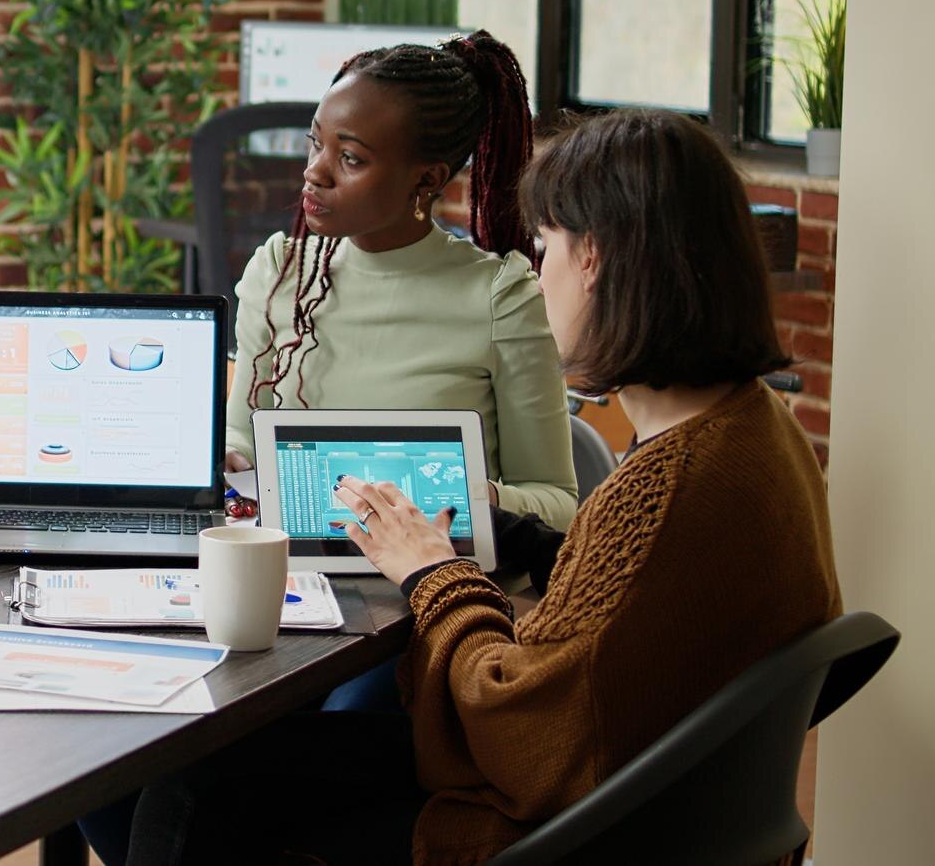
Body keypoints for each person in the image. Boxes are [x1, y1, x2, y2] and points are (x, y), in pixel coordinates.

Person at [90, 109, 839, 865]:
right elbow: (625, 608)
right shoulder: (756, 427)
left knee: (190, 788)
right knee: (179, 777)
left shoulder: (665, 488)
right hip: (648, 806)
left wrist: (430, 571)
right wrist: (509, 529)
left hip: (543, 829)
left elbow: (521, 731)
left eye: (545, 249)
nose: (537, 276)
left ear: (597, 261)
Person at [225, 31, 578, 531]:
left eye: (350, 159)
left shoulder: (499, 297)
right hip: (299, 579)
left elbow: (559, 505)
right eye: (315, 144)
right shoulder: (278, 273)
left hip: (434, 588)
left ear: (428, 179)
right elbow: (241, 437)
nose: (315, 173)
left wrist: (453, 495)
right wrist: (228, 460)